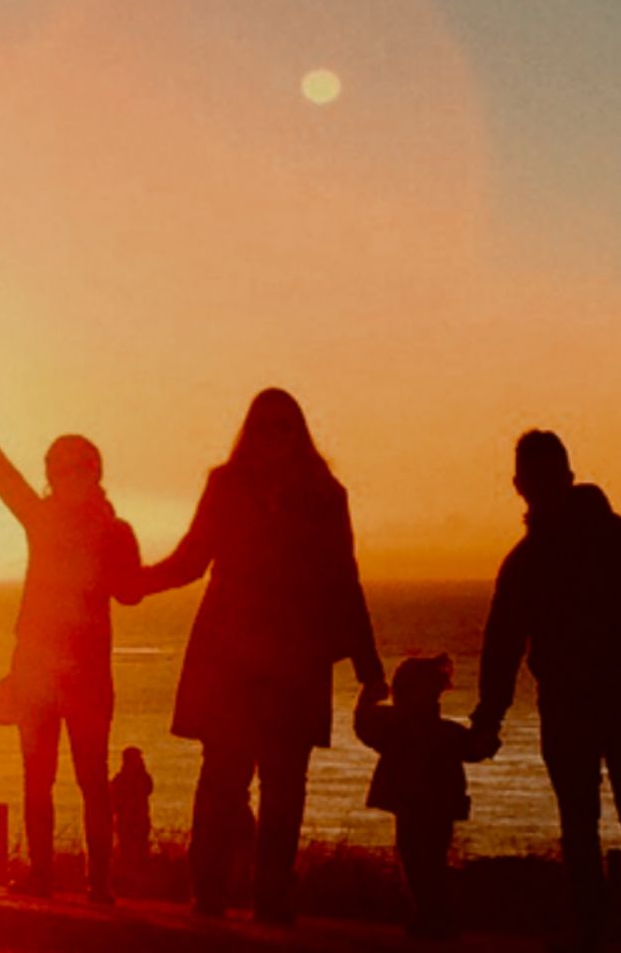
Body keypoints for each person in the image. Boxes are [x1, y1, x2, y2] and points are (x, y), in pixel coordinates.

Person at [139, 388, 386, 924]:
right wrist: (138, 583)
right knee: (222, 778)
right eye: (266, 425)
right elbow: (192, 557)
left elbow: (344, 579)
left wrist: (369, 669)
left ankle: (271, 896)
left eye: (286, 426)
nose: (276, 436)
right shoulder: (223, 485)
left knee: (284, 785)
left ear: (299, 433)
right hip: (229, 656)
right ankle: (207, 892)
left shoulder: (326, 494)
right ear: (250, 431)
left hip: (295, 660)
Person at [0, 375, 142, 903]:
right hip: (41, 671)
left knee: (90, 780)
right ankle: (48, 875)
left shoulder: (107, 530)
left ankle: (97, 883)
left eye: (69, 467)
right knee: (40, 778)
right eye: (54, 467)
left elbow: (131, 592)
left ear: (93, 473)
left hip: (83, 675)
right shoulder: (48, 519)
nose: (59, 475)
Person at [470, 432, 621, 950]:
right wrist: (490, 713)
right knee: (616, 818)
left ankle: (620, 926)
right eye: (535, 480)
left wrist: (490, 715)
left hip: (604, 700)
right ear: (522, 485)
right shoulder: (573, 547)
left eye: (547, 479)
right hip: (591, 701)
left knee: (616, 818)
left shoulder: (553, 552)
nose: (541, 489)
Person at [355, 654, 495, 941]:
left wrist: (366, 698)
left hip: (411, 801)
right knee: (429, 859)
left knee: (417, 859)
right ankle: (434, 913)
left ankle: (432, 913)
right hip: (438, 802)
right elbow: (478, 749)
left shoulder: (395, 724)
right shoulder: (445, 732)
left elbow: (364, 727)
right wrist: (489, 726)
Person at [111, 746, 154, 863]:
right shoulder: (121, 779)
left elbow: (149, 788)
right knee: (129, 847)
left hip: (139, 819)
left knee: (139, 846)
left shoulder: (138, 777)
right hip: (128, 820)